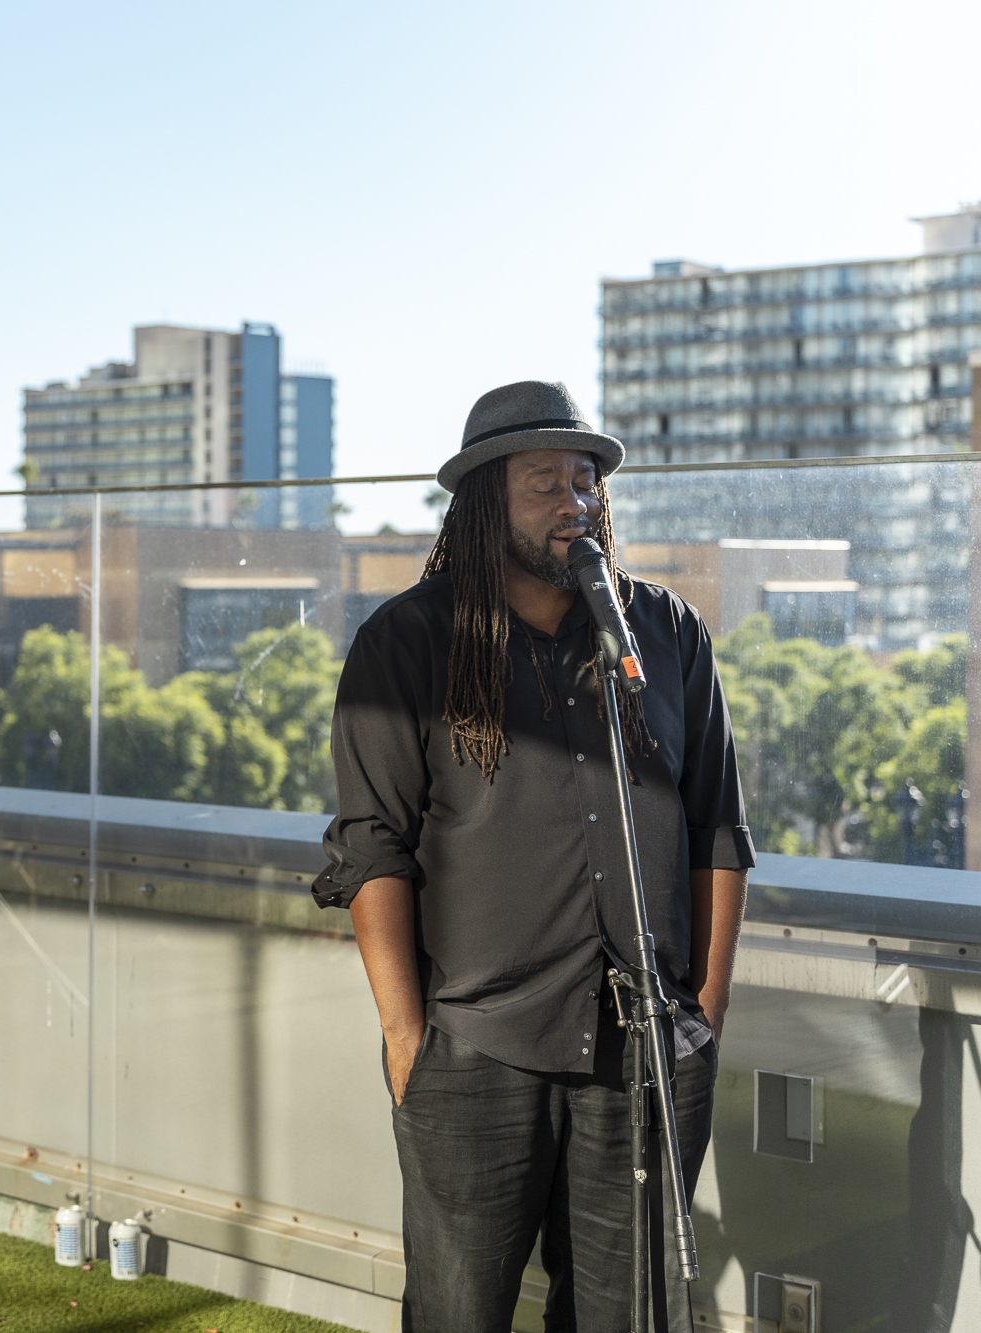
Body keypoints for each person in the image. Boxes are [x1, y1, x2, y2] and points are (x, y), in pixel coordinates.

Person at [315, 381, 752, 1332]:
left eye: (585, 478)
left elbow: (717, 826)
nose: (574, 501)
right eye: (544, 482)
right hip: (476, 1047)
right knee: (457, 1314)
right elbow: (371, 851)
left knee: (626, 1316)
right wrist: (406, 1038)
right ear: (484, 504)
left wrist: (704, 1011)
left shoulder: (665, 634)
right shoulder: (408, 643)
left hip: (645, 1048)